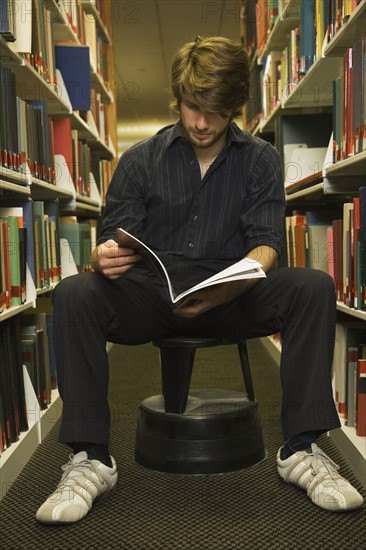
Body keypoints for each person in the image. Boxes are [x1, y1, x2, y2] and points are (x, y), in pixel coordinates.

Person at [36, 36, 363, 524]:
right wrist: (107, 256)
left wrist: (239, 276)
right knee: (75, 291)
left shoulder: (260, 160)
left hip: (233, 298)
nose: (203, 123)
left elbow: (268, 240)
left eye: (217, 110)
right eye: (193, 107)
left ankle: (301, 448)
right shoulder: (139, 160)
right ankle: (90, 457)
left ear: (235, 106)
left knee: (312, 286)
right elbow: (114, 238)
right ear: (178, 98)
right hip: (150, 297)